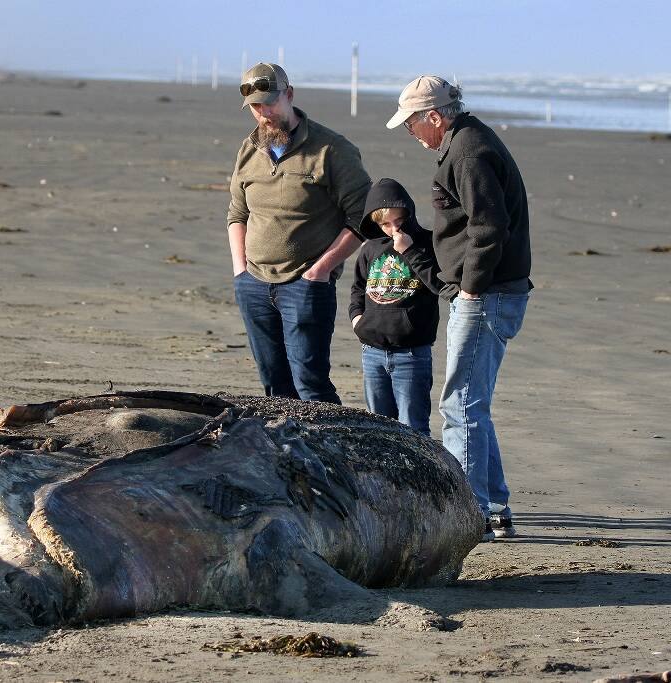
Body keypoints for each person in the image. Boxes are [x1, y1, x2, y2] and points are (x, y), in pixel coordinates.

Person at [387, 75, 532, 541]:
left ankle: (469, 515)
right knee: (473, 403)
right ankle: (494, 507)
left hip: (487, 295)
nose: (411, 133)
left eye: (411, 123)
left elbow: (490, 225)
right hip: (490, 291)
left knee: (461, 404)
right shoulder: (465, 142)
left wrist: (470, 288)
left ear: (434, 116)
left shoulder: (467, 151)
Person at [227, 62, 371, 403]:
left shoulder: (332, 150)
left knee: (311, 385)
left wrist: (319, 271)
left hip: (305, 287)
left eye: (270, 103)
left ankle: (333, 454)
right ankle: (288, 455)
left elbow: (364, 217)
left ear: (289, 95)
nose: (264, 113)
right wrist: (240, 271)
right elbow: (237, 212)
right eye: (256, 107)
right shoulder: (249, 149)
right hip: (254, 285)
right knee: (274, 386)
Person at [349, 178, 441, 437]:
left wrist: (410, 252)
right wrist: (357, 319)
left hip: (411, 354)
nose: (393, 229)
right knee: (378, 428)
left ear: (408, 214)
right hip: (372, 351)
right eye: (385, 224)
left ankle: (422, 477)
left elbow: (439, 285)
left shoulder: (427, 243)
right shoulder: (370, 249)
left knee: (414, 428)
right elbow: (358, 288)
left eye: (398, 222)